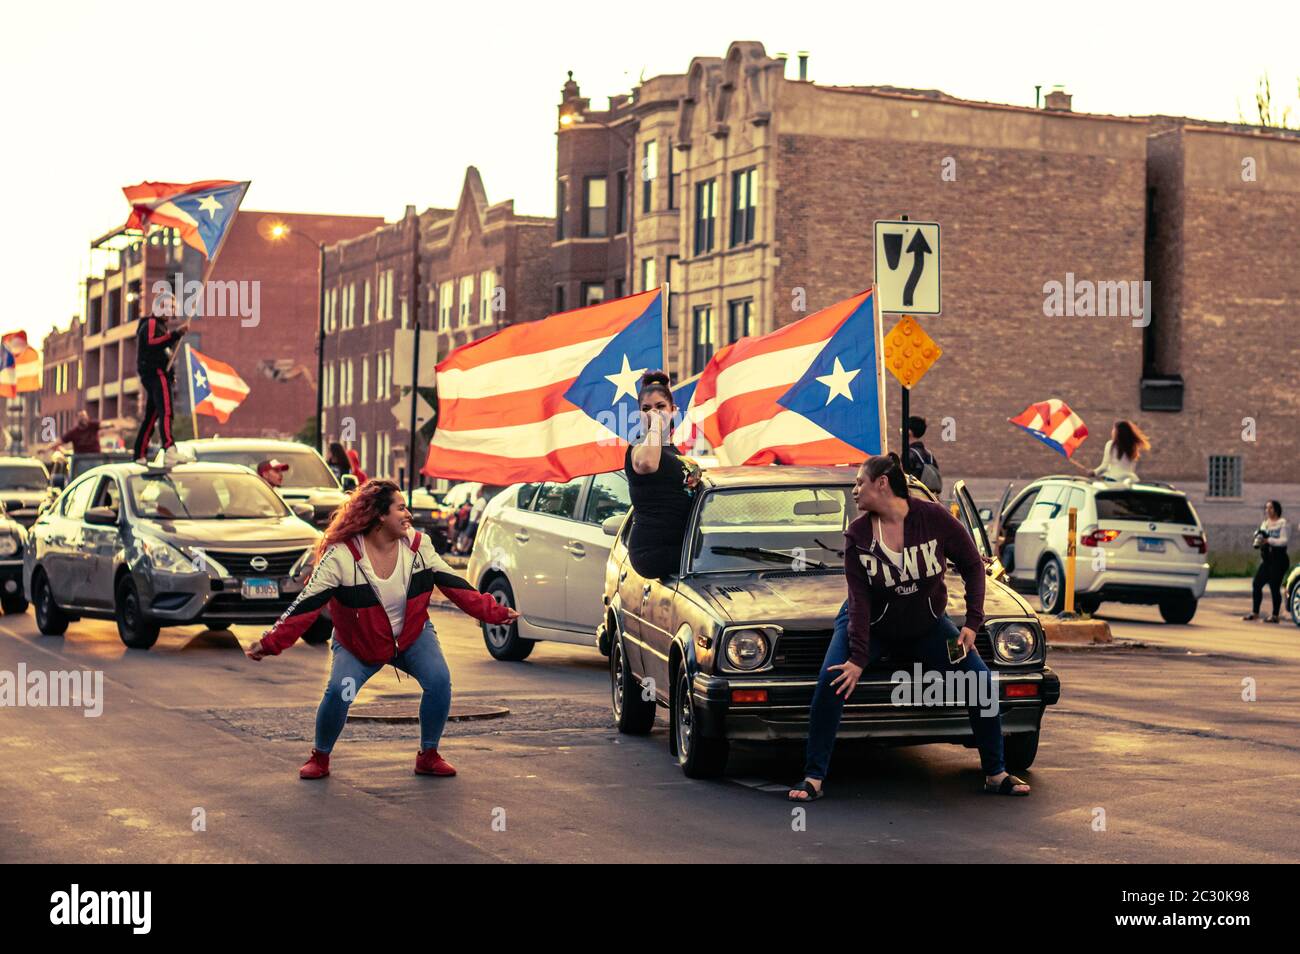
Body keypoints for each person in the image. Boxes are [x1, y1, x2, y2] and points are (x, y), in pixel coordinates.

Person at [788, 452, 1030, 802]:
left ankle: (996, 773)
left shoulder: (934, 519)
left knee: (979, 680)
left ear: (882, 484)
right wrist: (857, 658)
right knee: (832, 680)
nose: (855, 491)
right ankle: (813, 777)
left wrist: (973, 625)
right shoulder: (857, 534)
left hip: (928, 626)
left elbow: (973, 566)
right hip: (871, 627)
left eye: (860, 483)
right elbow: (858, 601)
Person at [245, 479, 519, 779]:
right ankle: (320, 757)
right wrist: (269, 642)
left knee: (439, 681)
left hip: (412, 636)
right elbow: (305, 604)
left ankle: (428, 755)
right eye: (400, 508)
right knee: (340, 691)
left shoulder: (418, 547)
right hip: (359, 645)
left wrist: (495, 612)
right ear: (380, 516)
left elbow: (456, 586)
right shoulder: (342, 556)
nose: (408, 515)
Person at [625, 370, 702, 579]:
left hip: (685, 545)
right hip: (652, 552)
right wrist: (657, 424)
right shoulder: (639, 447)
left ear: (673, 410)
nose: (653, 412)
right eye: (646, 409)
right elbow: (648, 463)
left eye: (660, 407)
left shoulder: (674, 452)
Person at [132, 295, 188, 465]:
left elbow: (165, 352)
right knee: (167, 410)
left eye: (172, 307)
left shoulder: (162, 328)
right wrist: (175, 334)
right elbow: (151, 343)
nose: (169, 310)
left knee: (152, 415)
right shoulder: (150, 324)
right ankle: (169, 448)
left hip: (161, 374)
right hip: (155, 373)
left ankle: (139, 454)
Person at [1244, 500, 1289, 623]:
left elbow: (1284, 541)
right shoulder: (1265, 523)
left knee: (1274, 586)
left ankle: (1275, 615)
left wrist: (1269, 540)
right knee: (1257, 583)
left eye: (1270, 508)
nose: (1267, 510)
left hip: (1279, 560)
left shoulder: (1282, 523)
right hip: (1267, 560)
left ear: (1276, 510)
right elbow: (1260, 536)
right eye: (1266, 508)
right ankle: (1255, 612)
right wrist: (1258, 537)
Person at [1075, 419, 1149, 481]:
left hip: (1114, 480)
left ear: (1118, 432)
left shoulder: (1111, 445)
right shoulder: (1133, 446)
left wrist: (1094, 472)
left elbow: (1104, 466)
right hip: (1131, 480)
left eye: (1114, 429)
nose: (1112, 431)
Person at [902, 415, 941, 493]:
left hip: (916, 495)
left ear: (909, 432)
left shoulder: (909, 454)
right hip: (929, 496)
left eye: (902, 430)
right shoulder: (929, 454)